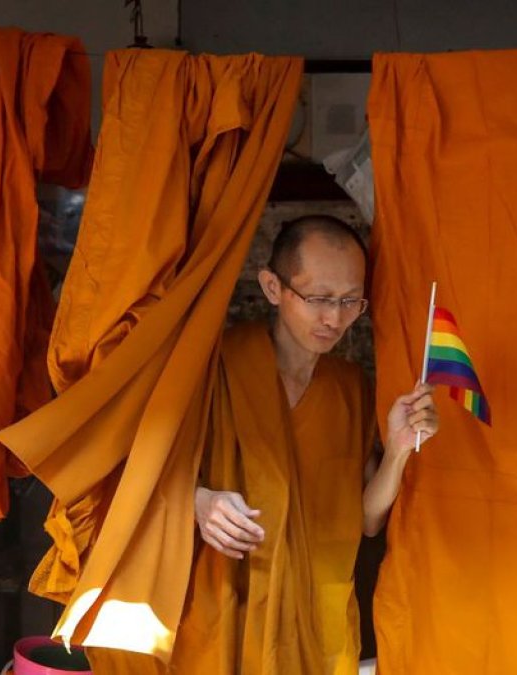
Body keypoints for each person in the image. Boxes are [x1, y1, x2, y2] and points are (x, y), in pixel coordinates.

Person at [171, 215, 438, 674]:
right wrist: (198, 502)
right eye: (318, 298)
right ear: (273, 287)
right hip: (225, 615)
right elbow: (140, 477)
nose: (334, 318)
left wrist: (397, 450)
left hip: (320, 623)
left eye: (350, 301)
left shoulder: (350, 388)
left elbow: (368, 519)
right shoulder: (216, 368)